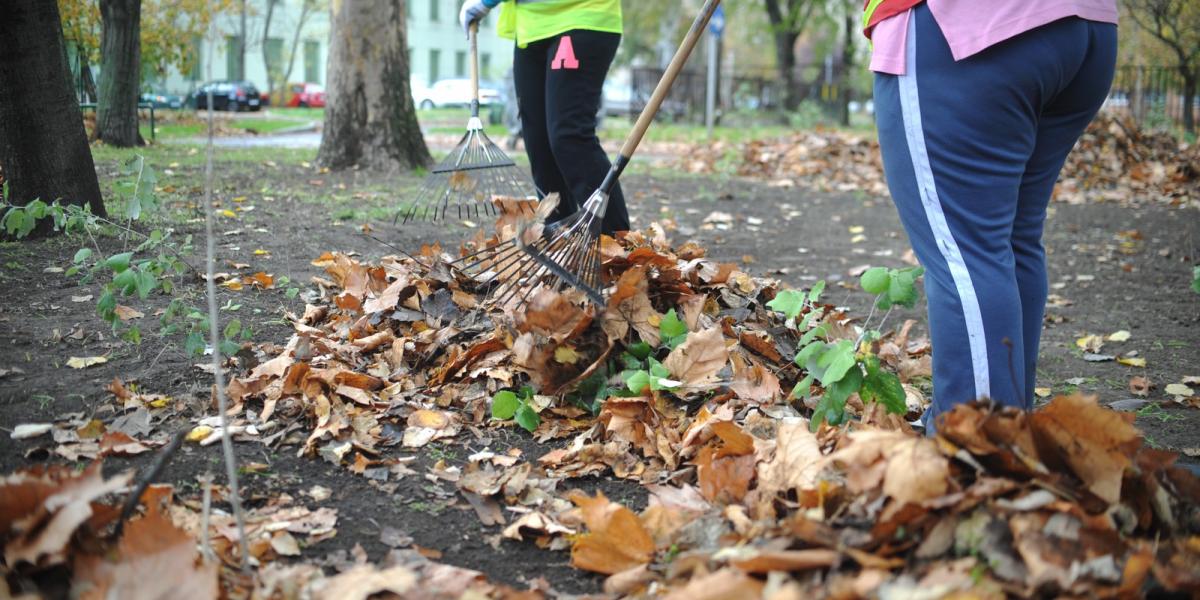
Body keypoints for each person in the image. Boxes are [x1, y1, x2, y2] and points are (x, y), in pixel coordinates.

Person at [866, 0, 1118, 432]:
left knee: (966, 252)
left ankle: (981, 455)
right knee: (1011, 239)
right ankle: (1012, 430)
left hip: (964, 29)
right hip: (1085, 28)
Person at [460, 0, 630, 235]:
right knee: (537, 141)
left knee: (568, 137)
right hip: (531, 28)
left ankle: (617, 242)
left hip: (581, 16)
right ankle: (558, 239)